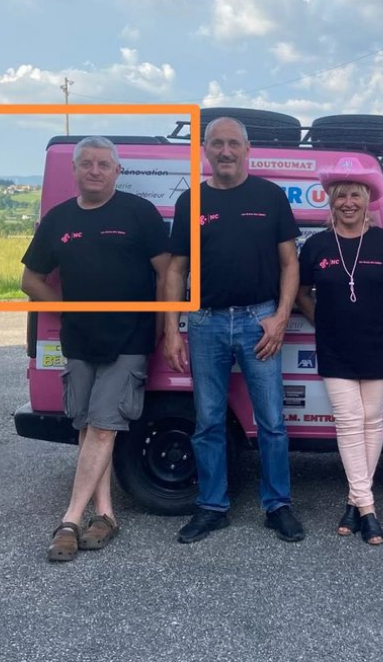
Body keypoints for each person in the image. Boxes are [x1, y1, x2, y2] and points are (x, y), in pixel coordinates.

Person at [21, 136, 170, 562]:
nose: (95, 171)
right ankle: (105, 515)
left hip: (130, 338)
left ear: (117, 171)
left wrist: (162, 328)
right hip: (79, 339)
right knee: (88, 427)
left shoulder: (139, 213)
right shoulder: (58, 219)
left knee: (104, 426)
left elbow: (166, 274)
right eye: (86, 163)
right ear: (74, 170)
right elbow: (30, 280)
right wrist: (68, 311)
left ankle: (70, 520)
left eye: (104, 164)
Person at [161, 116, 305, 544]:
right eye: (217, 143)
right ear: (205, 149)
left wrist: (281, 317)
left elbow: (290, 264)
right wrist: (172, 330)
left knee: (272, 421)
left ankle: (277, 505)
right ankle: (212, 507)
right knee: (208, 421)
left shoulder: (270, 196)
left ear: (247, 149)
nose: (225, 151)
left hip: (259, 321)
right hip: (205, 322)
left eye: (233, 144)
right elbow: (176, 270)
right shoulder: (191, 201)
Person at [295, 166, 383, 545]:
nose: (348, 202)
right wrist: (322, 322)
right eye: (341, 196)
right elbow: (300, 292)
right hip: (335, 347)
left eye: (355, 196)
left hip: (380, 345)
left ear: (367, 202)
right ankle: (368, 508)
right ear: (331, 202)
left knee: (371, 420)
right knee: (349, 421)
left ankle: (355, 503)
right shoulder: (317, 245)